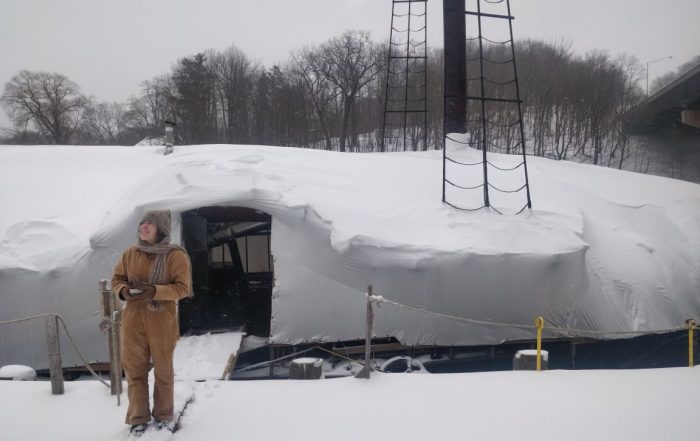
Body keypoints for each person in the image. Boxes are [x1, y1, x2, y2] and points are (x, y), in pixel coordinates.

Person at [111, 210, 192, 436]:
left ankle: (164, 415)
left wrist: (154, 291)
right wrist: (124, 291)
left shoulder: (175, 255)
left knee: (163, 369)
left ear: (161, 229)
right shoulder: (131, 253)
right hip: (133, 318)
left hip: (161, 319)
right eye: (142, 223)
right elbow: (117, 279)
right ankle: (138, 417)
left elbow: (182, 288)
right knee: (134, 369)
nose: (144, 227)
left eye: (150, 223)